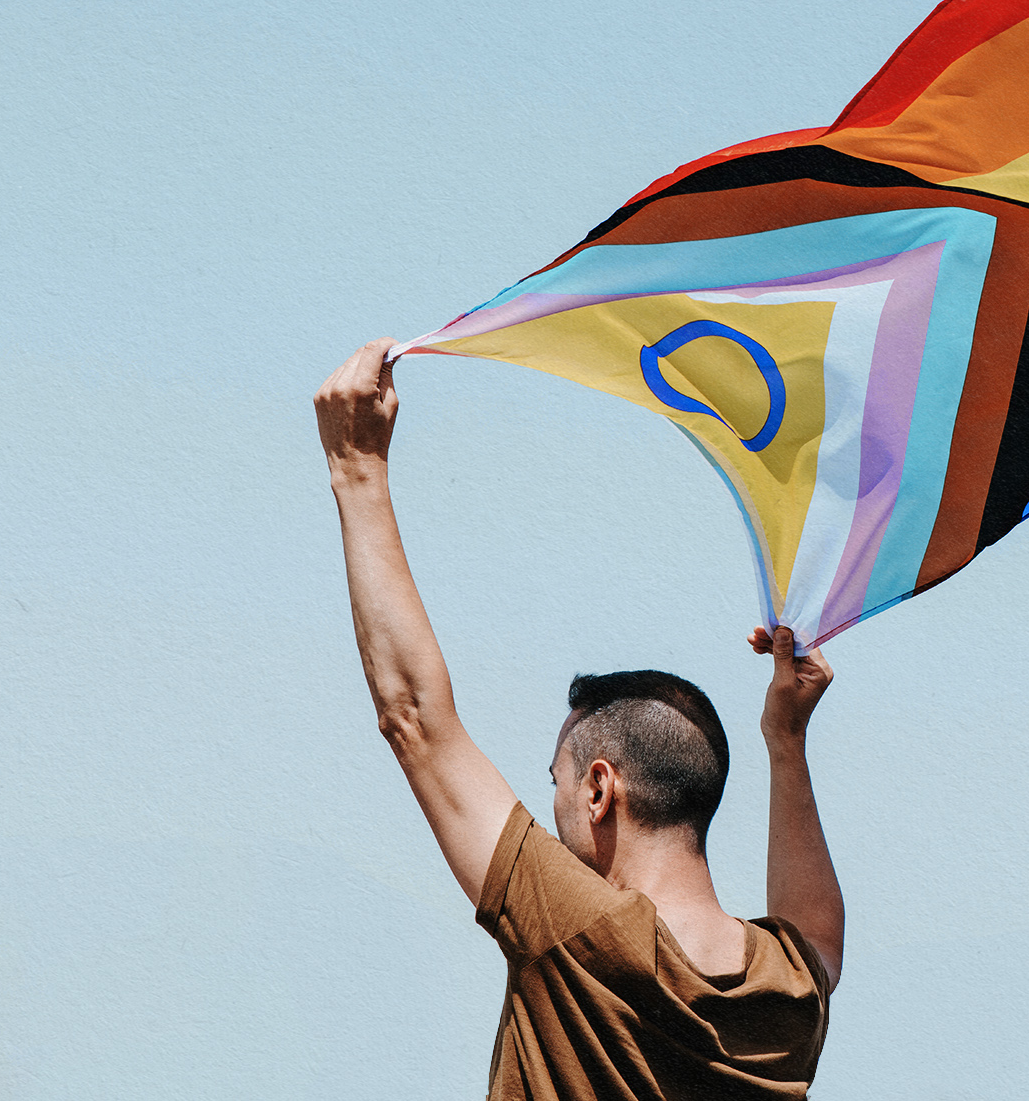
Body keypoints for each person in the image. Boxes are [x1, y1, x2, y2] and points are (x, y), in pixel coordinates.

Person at [314, 339, 845, 1099]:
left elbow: (415, 719)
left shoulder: (574, 929)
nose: (551, 804)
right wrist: (786, 742)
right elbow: (819, 932)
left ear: (601, 789)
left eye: (556, 781)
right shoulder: (789, 991)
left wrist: (356, 470)